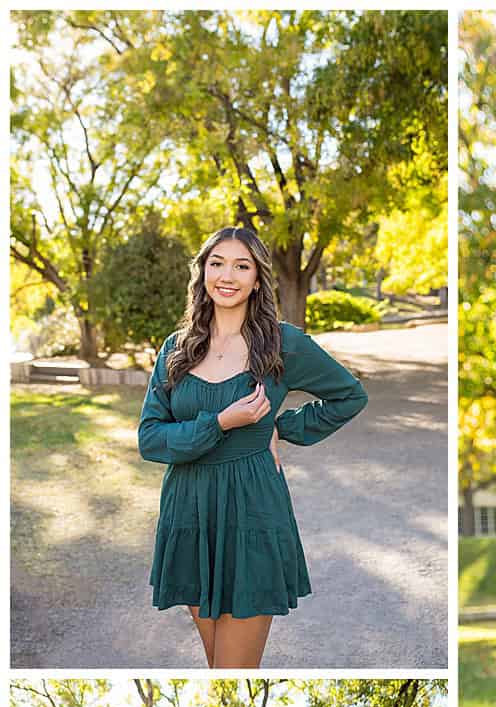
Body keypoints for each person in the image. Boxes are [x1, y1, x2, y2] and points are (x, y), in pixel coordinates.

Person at [138, 225, 368, 668]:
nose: (227, 275)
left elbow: (349, 396)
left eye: (241, 266)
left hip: (252, 511)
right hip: (189, 512)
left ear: (257, 279)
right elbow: (150, 438)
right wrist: (222, 423)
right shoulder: (176, 349)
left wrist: (280, 428)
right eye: (217, 263)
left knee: (232, 670)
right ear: (202, 272)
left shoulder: (282, 344)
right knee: (216, 670)